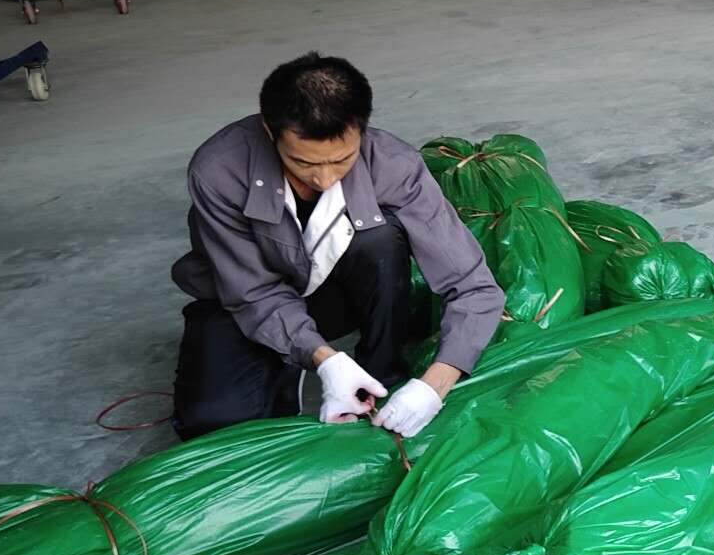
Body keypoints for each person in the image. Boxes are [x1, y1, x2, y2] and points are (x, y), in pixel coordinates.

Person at [169, 52, 503, 440]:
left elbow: (473, 285)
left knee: (379, 238)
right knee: (212, 422)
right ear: (269, 131)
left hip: (335, 295)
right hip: (240, 300)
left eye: (342, 160)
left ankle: (382, 375)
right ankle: (294, 366)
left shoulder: (394, 164)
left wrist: (435, 385)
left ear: (362, 130)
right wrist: (325, 361)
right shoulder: (219, 169)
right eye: (304, 163)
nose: (325, 179)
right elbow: (252, 292)